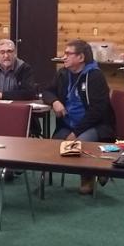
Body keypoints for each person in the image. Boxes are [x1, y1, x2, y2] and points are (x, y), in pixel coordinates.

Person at [41, 39, 115, 195]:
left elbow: (97, 111)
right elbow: (47, 91)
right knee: (52, 146)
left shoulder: (95, 76)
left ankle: (88, 176)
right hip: (68, 124)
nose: (64, 57)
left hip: (95, 125)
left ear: (81, 58)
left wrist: (75, 133)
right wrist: (55, 102)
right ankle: (97, 167)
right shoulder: (63, 73)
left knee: (78, 144)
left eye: (68, 54)